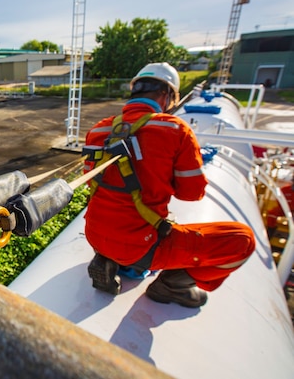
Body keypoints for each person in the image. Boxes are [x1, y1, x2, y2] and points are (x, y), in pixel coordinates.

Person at [83, 62, 256, 308]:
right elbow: (192, 193)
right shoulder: (175, 129)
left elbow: (93, 181)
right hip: (141, 244)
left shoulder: (99, 129)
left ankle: (109, 257)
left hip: (95, 234)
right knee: (243, 241)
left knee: (128, 220)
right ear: (165, 96)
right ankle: (171, 285)